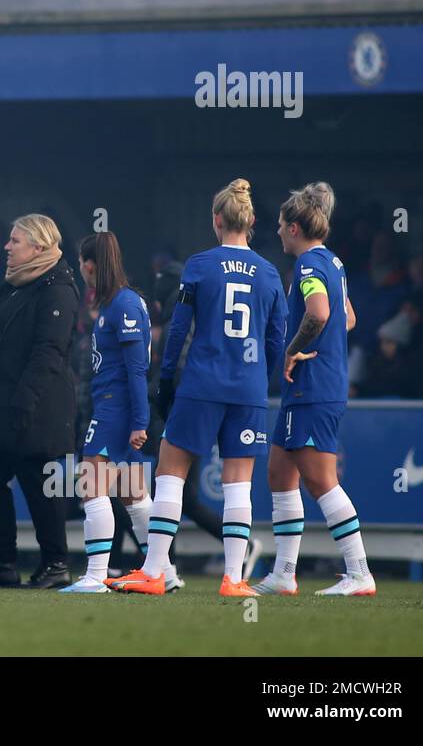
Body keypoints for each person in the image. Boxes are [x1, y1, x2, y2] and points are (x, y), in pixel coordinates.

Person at [109, 178, 287, 596]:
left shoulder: (200, 265)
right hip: (248, 390)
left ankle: (154, 571)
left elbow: (178, 332)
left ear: (217, 220)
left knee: (170, 474)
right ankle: (234, 579)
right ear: (252, 221)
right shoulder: (270, 272)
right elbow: (277, 338)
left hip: (201, 384)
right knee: (238, 483)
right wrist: (262, 377)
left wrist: (166, 380)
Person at [257, 183, 373, 596]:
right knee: (279, 474)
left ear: (293, 228)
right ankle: (284, 574)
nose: (276, 232)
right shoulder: (333, 263)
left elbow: (321, 313)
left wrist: (295, 349)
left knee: (322, 481)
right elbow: (348, 318)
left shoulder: (308, 265)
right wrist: (324, 347)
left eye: (279, 225)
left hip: (313, 387)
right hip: (310, 387)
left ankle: (359, 573)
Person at [0, 215, 79, 589]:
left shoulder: (58, 288)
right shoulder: (15, 285)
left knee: (38, 481)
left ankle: (56, 563)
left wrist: (24, 401)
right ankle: (3, 562)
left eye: (15, 241)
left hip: (35, 407)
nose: (7, 247)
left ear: (39, 247)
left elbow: (49, 351)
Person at [62, 231, 170, 593]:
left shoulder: (123, 305)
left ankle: (95, 574)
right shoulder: (118, 303)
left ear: (90, 265)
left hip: (115, 409)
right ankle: (164, 572)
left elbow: (137, 369)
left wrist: (139, 421)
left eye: (80, 262)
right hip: (115, 407)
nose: (80, 269)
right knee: (132, 494)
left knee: (91, 487)